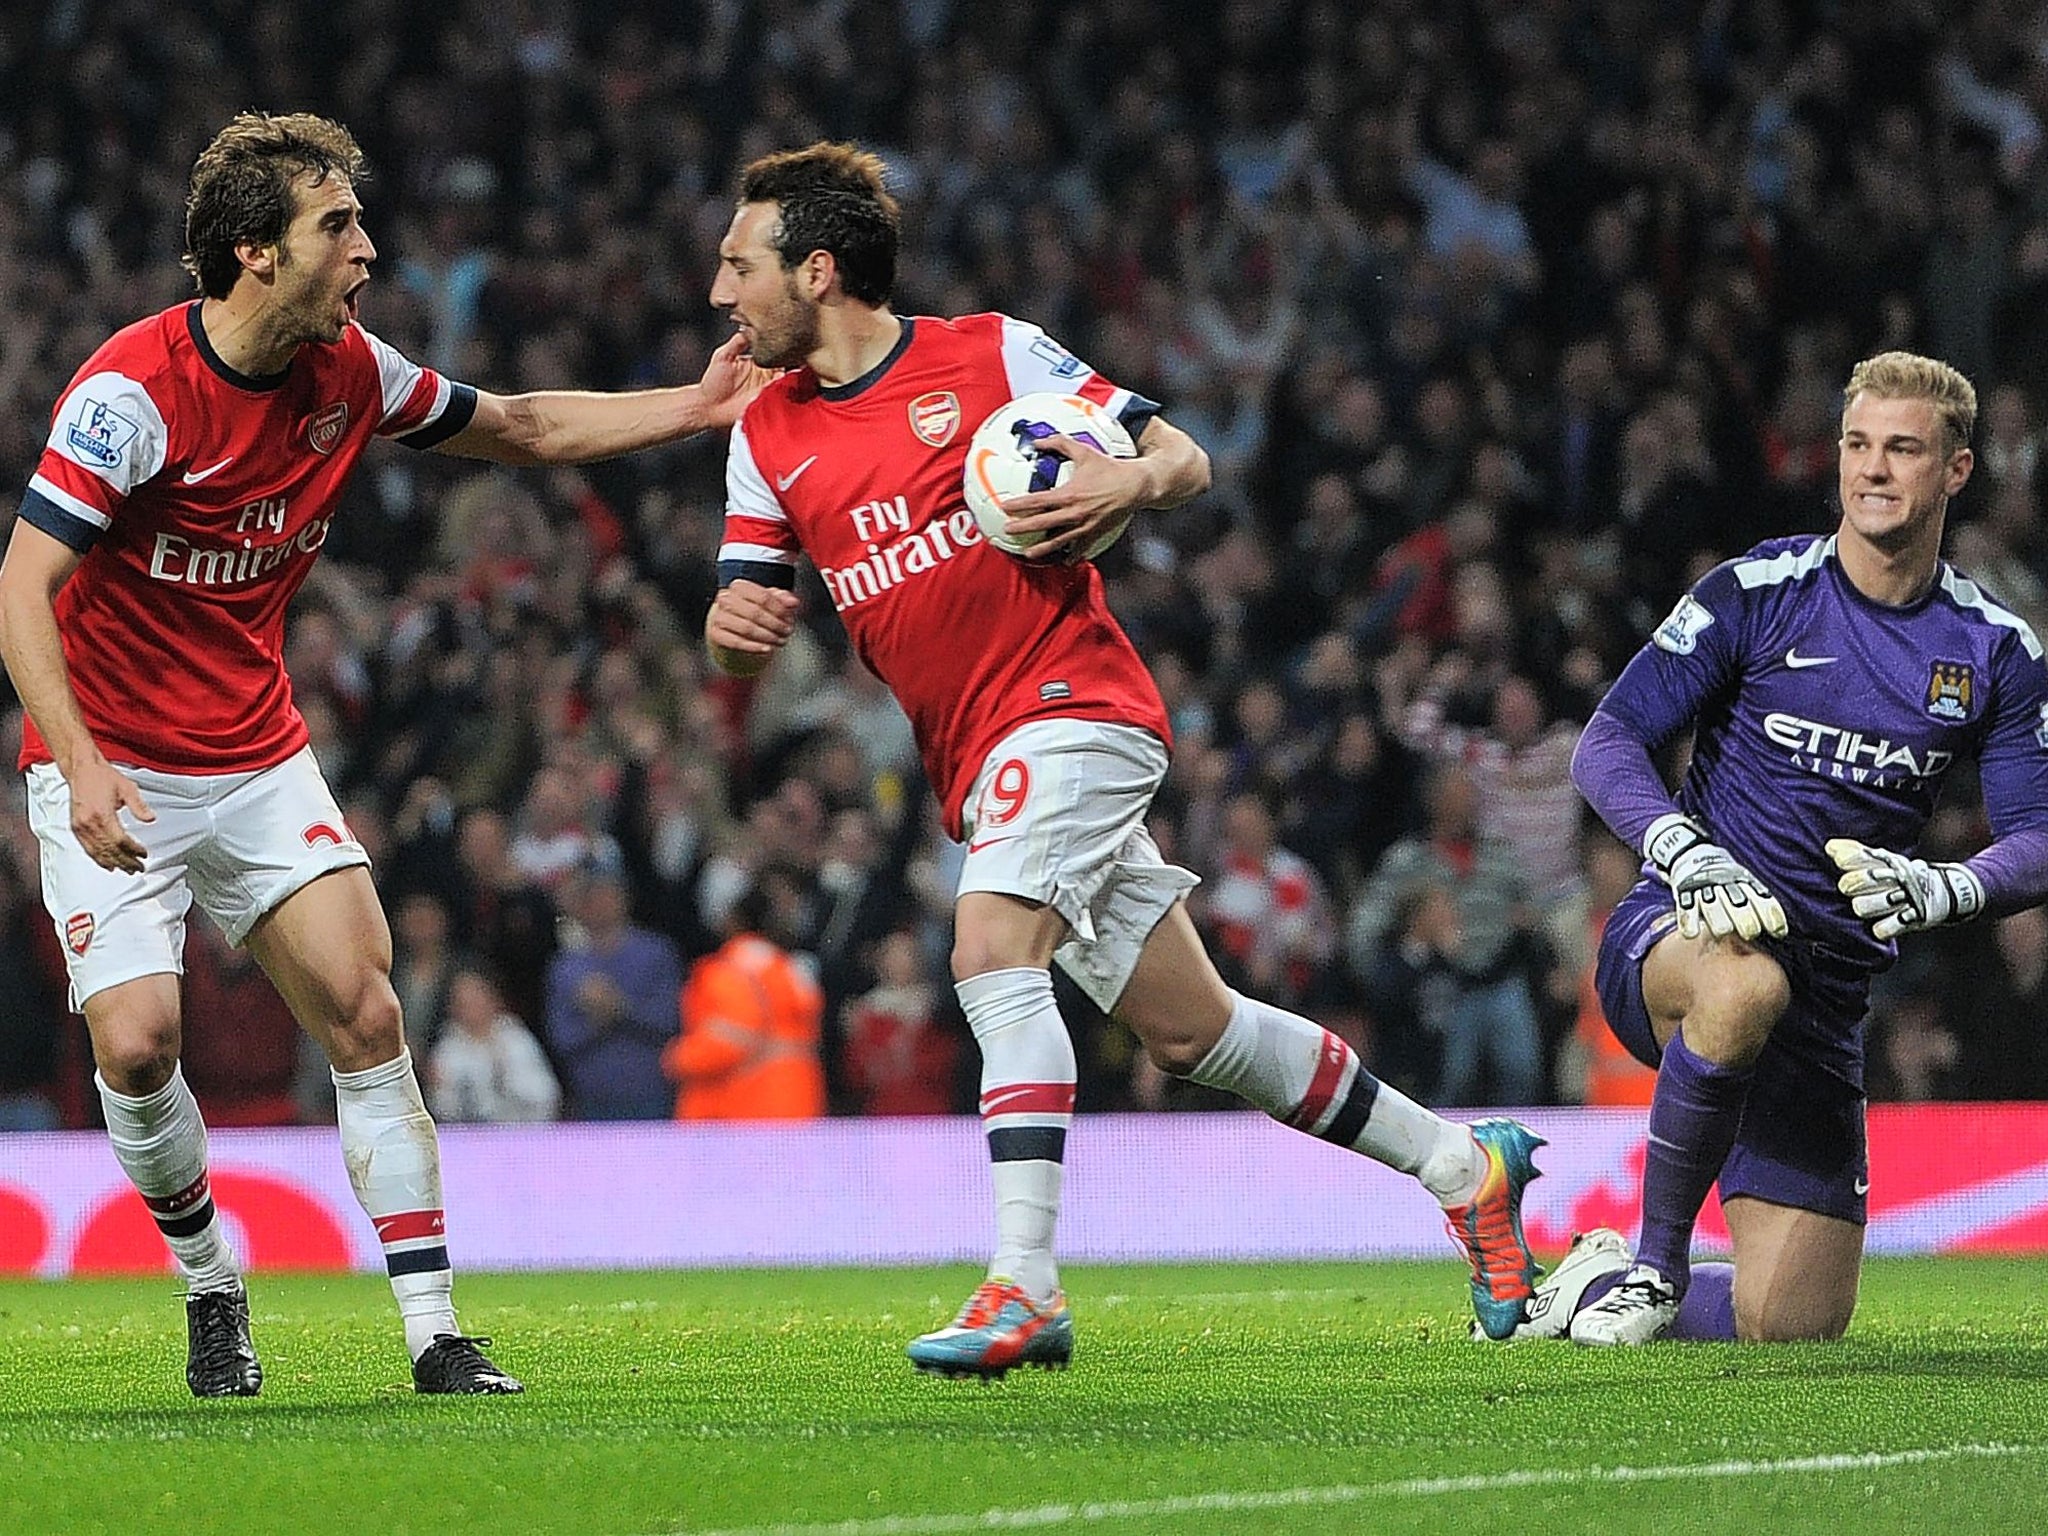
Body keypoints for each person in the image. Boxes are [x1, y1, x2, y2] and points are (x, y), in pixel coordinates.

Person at [702, 140, 1545, 1378]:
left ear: (816, 271)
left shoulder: (985, 355)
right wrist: (731, 637)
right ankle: (1460, 1169)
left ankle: (1022, 1287)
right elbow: (742, 619)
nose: (720, 292)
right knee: (1191, 1032)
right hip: (973, 758)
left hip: (1074, 709)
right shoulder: (765, 435)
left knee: (990, 944)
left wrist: (1125, 483)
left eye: (738, 265)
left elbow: (1183, 459)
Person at [0, 112, 766, 1397]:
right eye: (336, 225)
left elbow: (515, 426)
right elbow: (22, 585)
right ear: (255, 253)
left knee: (366, 1010)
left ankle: (435, 1332)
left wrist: (693, 407)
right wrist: (74, 763)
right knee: (135, 1048)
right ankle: (210, 1285)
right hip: (112, 764)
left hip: (253, 759)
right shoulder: (132, 396)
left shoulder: (348, 371)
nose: (367, 246)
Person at [1548, 351, 2048, 1345]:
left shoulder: (1993, 648)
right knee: (1742, 985)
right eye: (1855, 446)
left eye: (1900, 448)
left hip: (1823, 1005)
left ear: (1953, 470)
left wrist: (1942, 888)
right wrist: (1683, 852)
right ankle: (1653, 1265)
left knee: (1789, 1321)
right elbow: (1606, 741)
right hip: (1682, 935)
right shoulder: (1758, 591)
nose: (1870, 469)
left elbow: (2034, 837)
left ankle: (1592, 1284)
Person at [663, 879, 827, 1121]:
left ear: (734, 921)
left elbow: (732, 1039)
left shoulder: (728, 971)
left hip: (750, 1107)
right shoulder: (789, 967)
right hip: (801, 1099)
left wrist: (681, 1058)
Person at [426, 966, 561, 1124]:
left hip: (519, 1134)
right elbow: (442, 1109)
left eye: (476, 998)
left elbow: (547, 1095)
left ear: (492, 999)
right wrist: (438, 1089)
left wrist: (505, 1074)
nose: (470, 1007)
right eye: (462, 1002)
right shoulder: (447, 1050)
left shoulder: (516, 1039)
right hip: (468, 1139)